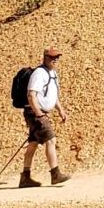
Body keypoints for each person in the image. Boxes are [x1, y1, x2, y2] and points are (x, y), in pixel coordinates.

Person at [20, 47, 67, 188]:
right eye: (53, 57)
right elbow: (31, 95)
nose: (55, 60)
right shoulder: (39, 73)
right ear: (45, 58)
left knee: (33, 144)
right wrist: (39, 114)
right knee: (51, 140)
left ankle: (25, 178)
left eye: (57, 57)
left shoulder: (53, 73)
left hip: (39, 112)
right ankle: (55, 174)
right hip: (35, 112)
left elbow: (53, 95)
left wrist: (61, 110)